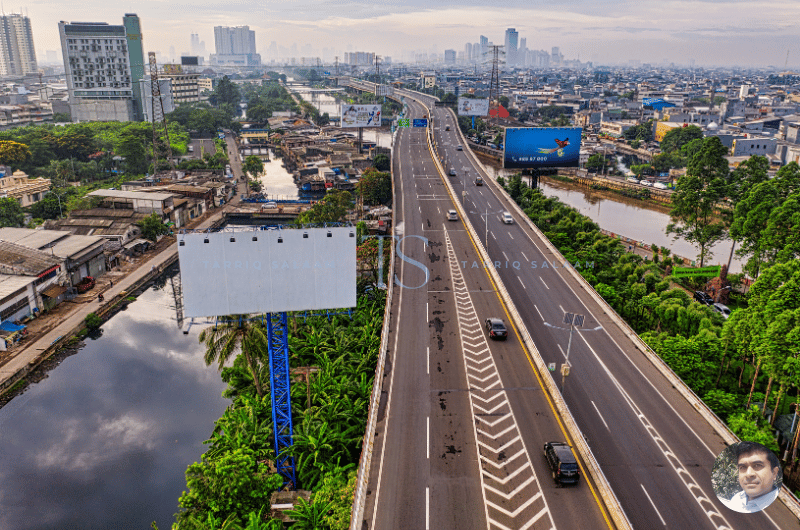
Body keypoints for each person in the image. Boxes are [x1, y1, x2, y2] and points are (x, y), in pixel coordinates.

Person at [718, 441, 781, 513]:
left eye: (757, 465)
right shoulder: (737, 499)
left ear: (774, 473)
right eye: (743, 467)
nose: (749, 474)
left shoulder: (777, 511)